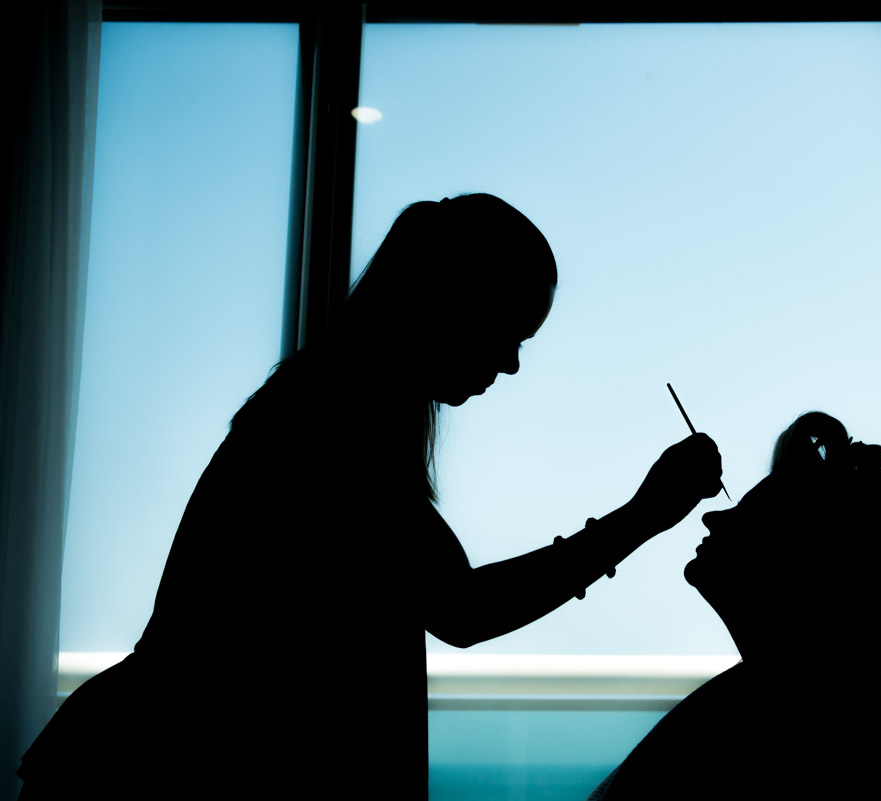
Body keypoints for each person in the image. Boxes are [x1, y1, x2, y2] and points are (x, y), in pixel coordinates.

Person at [17, 194, 723, 799]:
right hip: (164, 770)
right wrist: (643, 516)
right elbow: (463, 609)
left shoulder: (322, 402)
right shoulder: (334, 421)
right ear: (451, 303)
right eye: (508, 331)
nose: (511, 363)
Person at [587, 411, 881, 800]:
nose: (711, 516)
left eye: (748, 513)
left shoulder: (797, 713)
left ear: (799, 557)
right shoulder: (820, 695)